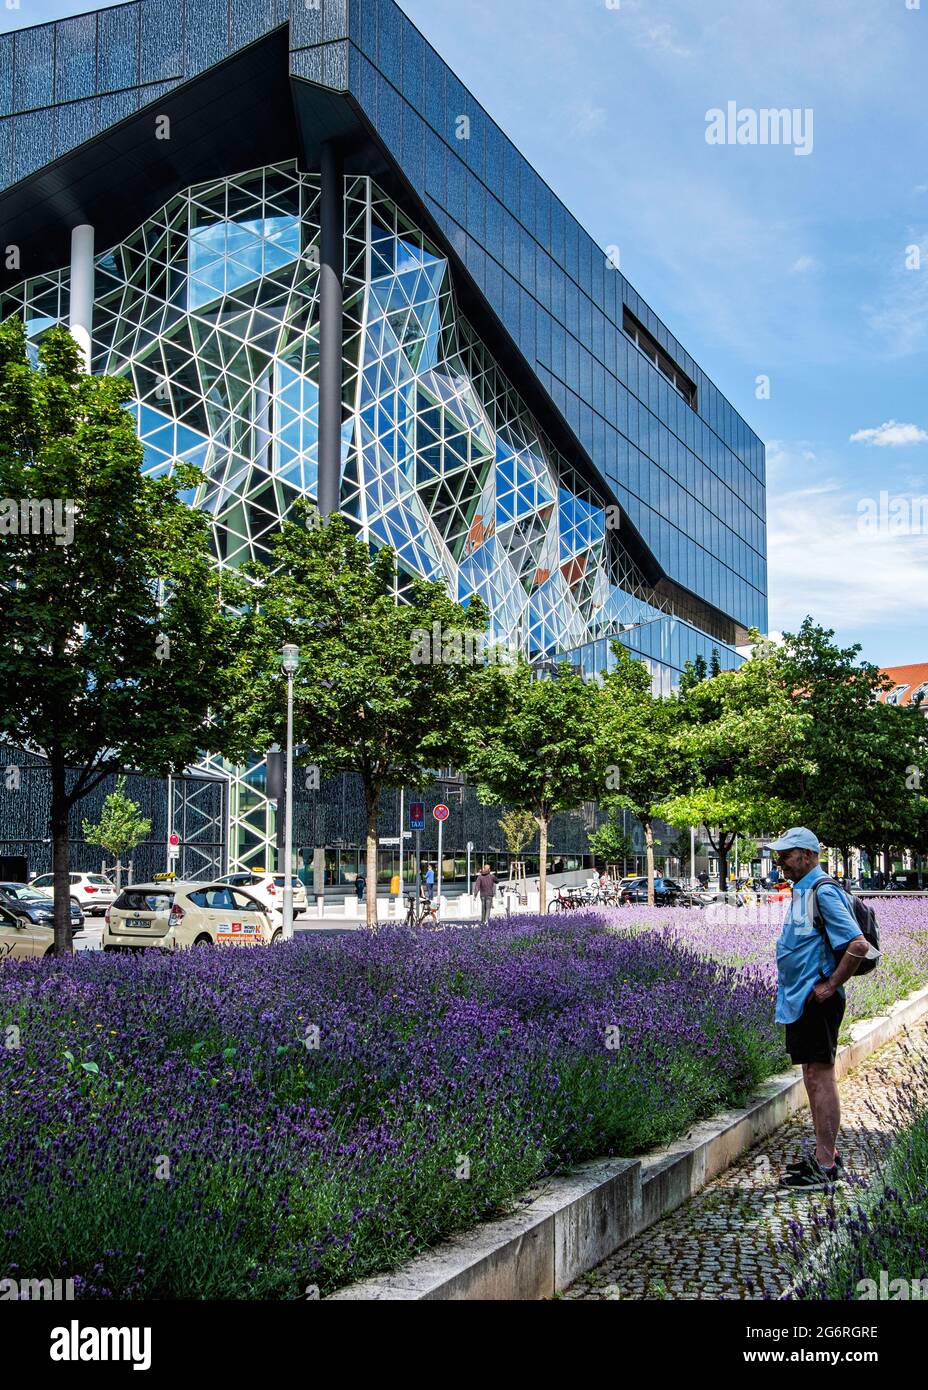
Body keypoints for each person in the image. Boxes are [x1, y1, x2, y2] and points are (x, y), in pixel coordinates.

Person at [770, 827, 872, 1190]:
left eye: (787, 854)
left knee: (820, 1076)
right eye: (779, 854)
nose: (779, 860)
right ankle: (822, 1156)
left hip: (816, 1002)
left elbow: (857, 946)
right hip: (802, 1001)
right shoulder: (803, 890)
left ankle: (827, 1163)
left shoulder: (822, 890)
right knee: (812, 1076)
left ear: (808, 855)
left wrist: (830, 985)